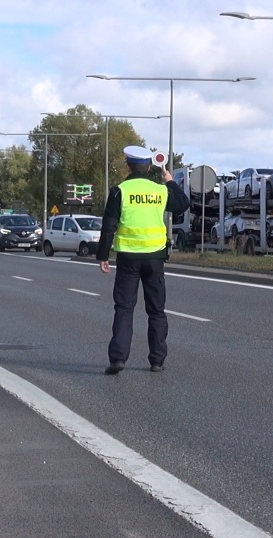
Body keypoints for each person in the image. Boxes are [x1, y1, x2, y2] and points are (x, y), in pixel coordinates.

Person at [96, 146, 189, 375]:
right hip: (155, 258)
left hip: (128, 258)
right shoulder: (160, 191)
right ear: (149, 166)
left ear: (128, 165)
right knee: (156, 310)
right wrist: (169, 181)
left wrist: (103, 255)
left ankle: (118, 358)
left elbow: (108, 225)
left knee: (124, 308)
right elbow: (183, 204)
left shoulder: (120, 191)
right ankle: (157, 360)